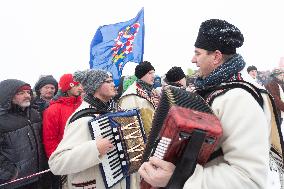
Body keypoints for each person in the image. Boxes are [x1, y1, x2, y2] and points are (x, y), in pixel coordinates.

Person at [139, 19, 272, 189]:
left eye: (198, 53)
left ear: (216, 56)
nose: (193, 59)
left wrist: (179, 178)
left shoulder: (240, 98)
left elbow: (249, 180)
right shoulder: (209, 89)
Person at [48, 69, 140, 189]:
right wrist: (94, 149)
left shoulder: (112, 110)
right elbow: (56, 163)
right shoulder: (82, 119)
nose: (114, 84)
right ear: (96, 86)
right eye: (109, 81)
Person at [0, 79, 48, 188]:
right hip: (16, 182)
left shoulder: (35, 114)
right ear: (8, 96)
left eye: (28, 92)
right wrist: (10, 173)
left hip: (39, 176)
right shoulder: (2, 120)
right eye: (21, 93)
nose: (27, 95)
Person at [43, 73, 83, 188]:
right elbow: (50, 140)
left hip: (84, 155)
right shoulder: (53, 110)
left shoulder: (83, 105)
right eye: (76, 85)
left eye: (80, 85)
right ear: (67, 87)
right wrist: (59, 163)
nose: (80, 88)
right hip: (67, 161)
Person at [119, 61, 159, 136]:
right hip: (141, 142)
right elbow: (129, 126)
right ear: (141, 75)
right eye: (150, 73)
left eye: (153, 73)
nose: (153, 76)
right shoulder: (130, 95)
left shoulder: (151, 92)